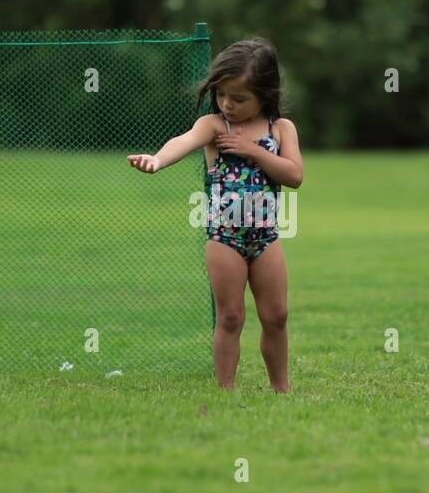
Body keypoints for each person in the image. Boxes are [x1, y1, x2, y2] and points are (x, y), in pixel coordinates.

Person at [127, 38, 303, 393]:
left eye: (239, 99)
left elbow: (294, 176)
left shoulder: (280, 129)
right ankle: (226, 389)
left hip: (266, 237)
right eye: (222, 94)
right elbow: (182, 141)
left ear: (265, 94)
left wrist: (253, 152)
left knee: (276, 316)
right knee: (231, 316)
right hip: (225, 238)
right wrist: (158, 160)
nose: (227, 104)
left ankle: (281, 390)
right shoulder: (214, 126)